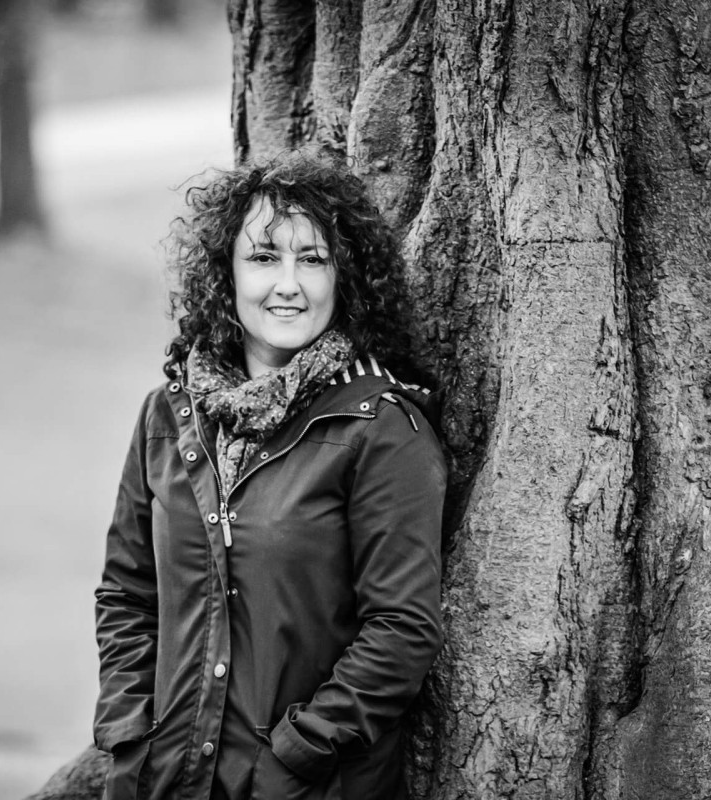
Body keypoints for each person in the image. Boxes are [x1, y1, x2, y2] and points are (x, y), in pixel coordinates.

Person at [92, 148, 447, 800]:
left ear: (345, 277)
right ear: (224, 273)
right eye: (263, 257)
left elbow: (402, 628)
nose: (288, 284)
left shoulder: (381, 428)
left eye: (312, 259)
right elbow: (127, 594)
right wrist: (128, 734)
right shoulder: (168, 415)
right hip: (166, 783)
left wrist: (297, 756)